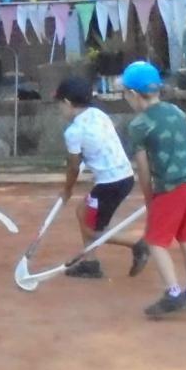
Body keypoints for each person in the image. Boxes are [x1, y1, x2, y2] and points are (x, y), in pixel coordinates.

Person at [120, 61, 186, 319]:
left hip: (170, 186)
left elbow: (143, 167)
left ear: (134, 94)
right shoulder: (177, 112)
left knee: (156, 242)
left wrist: (150, 198)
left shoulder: (139, 125)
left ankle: (173, 293)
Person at [54, 75, 144, 279]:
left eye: (60, 104)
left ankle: (137, 244)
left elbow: (73, 166)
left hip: (109, 184)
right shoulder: (98, 114)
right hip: (123, 178)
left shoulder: (74, 132)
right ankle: (90, 262)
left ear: (67, 103)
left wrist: (67, 189)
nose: (59, 110)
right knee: (82, 212)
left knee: (92, 229)